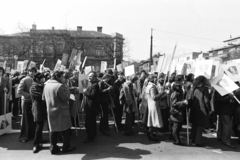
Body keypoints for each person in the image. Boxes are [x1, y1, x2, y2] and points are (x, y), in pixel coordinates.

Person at [43, 71, 76, 154]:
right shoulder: (59, 86)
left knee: (53, 130)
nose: (63, 78)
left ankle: (53, 147)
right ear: (57, 77)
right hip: (61, 111)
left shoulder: (47, 85)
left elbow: (43, 98)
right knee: (65, 130)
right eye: (61, 77)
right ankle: (66, 147)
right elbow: (65, 98)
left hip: (50, 110)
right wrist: (67, 90)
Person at [188, 76, 211, 147]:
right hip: (201, 108)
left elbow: (191, 98)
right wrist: (209, 109)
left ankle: (193, 138)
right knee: (199, 125)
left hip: (194, 108)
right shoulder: (205, 89)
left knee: (194, 124)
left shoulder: (194, 88)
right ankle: (198, 141)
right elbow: (206, 100)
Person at [17, 67, 37, 143]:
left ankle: (32, 134)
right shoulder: (24, 79)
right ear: (28, 72)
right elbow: (19, 91)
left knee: (33, 118)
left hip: (33, 101)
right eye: (30, 71)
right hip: (26, 101)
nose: (32, 72)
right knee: (25, 119)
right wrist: (29, 95)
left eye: (33, 71)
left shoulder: (35, 79)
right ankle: (24, 136)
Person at [29, 72, 47, 153]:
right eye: (42, 79)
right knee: (39, 126)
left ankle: (39, 139)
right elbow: (41, 96)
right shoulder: (33, 87)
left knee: (42, 125)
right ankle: (35, 144)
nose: (43, 80)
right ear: (37, 79)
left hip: (44, 108)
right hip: (38, 108)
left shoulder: (41, 86)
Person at [145, 74, 164, 141]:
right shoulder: (152, 87)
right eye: (155, 78)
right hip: (153, 105)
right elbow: (154, 97)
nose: (157, 79)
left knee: (151, 120)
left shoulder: (148, 85)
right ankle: (151, 134)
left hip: (150, 104)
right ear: (152, 79)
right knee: (153, 120)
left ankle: (151, 133)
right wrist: (162, 93)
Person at [83, 71, 100, 143]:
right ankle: (93, 134)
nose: (89, 77)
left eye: (91, 76)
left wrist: (85, 92)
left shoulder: (95, 85)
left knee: (89, 122)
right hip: (90, 106)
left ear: (94, 77)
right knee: (92, 121)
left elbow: (92, 95)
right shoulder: (92, 84)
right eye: (88, 76)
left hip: (91, 106)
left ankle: (90, 136)